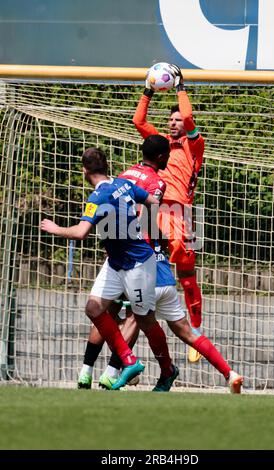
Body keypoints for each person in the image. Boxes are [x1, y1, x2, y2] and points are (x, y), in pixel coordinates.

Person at [77, 140, 243, 393]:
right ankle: (228, 373)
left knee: (117, 312)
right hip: (159, 267)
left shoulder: (123, 180)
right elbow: (152, 213)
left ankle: (115, 371)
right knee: (176, 327)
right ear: (163, 156)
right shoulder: (158, 185)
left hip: (137, 263)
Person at [40, 146, 178, 390]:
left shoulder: (97, 197)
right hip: (116, 263)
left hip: (138, 265)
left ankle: (167, 370)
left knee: (146, 321)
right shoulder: (122, 184)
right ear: (105, 166)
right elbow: (152, 200)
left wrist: (55, 228)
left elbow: (81, 232)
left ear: (85, 170)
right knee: (93, 308)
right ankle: (128, 360)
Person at [78, 244, 243, 394]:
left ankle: (111, 372)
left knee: (123, 316)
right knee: (187, 333)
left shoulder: (127, 222)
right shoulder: (151, 219)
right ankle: (229, 374)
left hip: (145, 279)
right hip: (166, 281)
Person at [132, 65, 204, 363]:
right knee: (140, 270)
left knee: (187, 275)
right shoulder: (161, 143)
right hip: (152, 210)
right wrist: (148, 89)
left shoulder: (194, 145)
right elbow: (138, 120)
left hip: (180, 213)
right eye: (171, 120)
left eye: (178, 120)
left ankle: (196, 331)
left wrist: (180, 86)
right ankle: (132, 338)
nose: (174, 123)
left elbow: (189, 117)